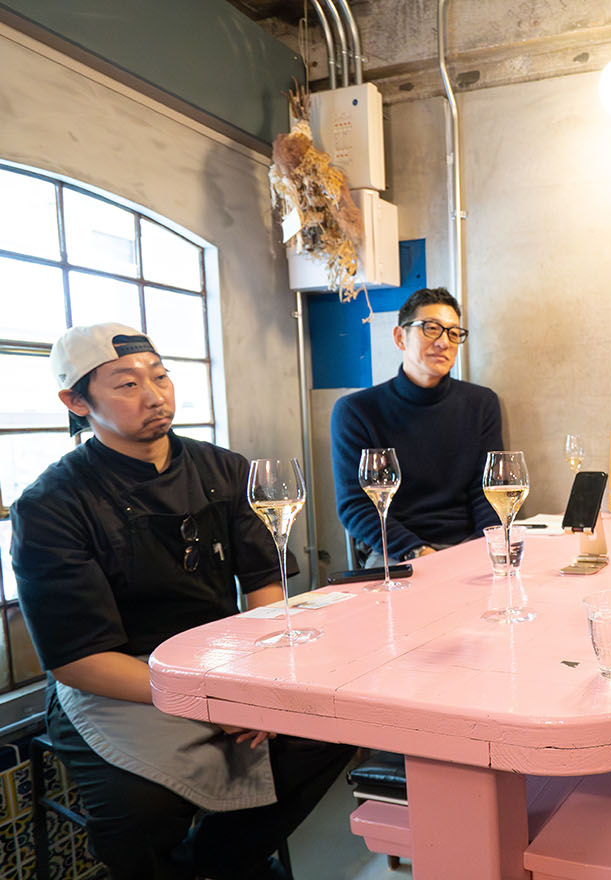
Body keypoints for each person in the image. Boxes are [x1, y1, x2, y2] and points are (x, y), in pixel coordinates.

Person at [11, 323, 354, 880]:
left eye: (161, 377)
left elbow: (266, 592)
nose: (154, 396)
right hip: (119, 683)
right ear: (76, 402)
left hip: (226, 664)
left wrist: (258, 682)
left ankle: (217, 864)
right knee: (137, 811)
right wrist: (210, 697)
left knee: (332, 728)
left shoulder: (225, 469)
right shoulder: (52, 504)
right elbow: (79, 661)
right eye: (127, 384)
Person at [330, 287, 502, 565]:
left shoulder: (481, 403)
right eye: (431, 328)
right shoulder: (357, 411)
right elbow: (356, 506)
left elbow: (488, 491)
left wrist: (488, 548)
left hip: (468, 543)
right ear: (400, 337)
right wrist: (419, 553)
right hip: (395, 552)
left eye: (453, 333)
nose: (444, 342)